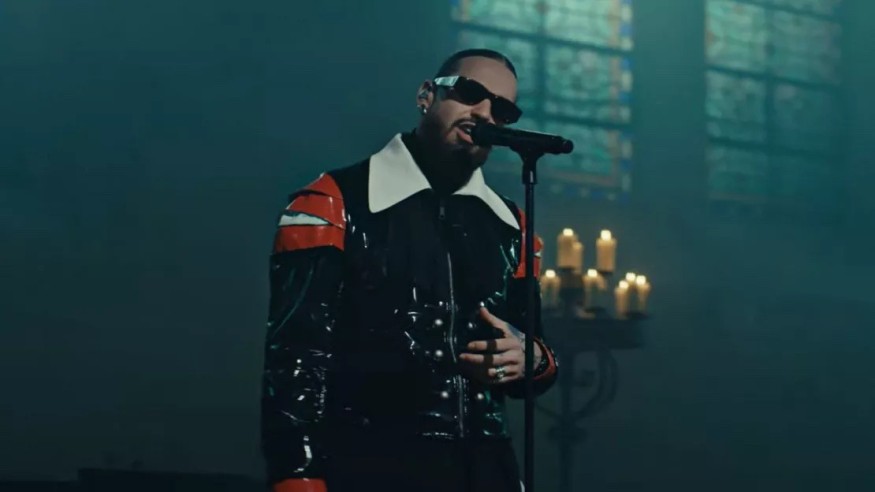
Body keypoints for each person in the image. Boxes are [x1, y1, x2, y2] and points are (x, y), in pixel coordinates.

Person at [260, 49, 559, 492]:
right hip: (366, 466)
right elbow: (296, 359)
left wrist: (529, 358)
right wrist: (297, 476)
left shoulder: (512, 226)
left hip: (486, 469)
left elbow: (535, 352)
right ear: (426, 96)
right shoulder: (331, 202)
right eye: (470, 92)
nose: (484, 113)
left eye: (502, 109)